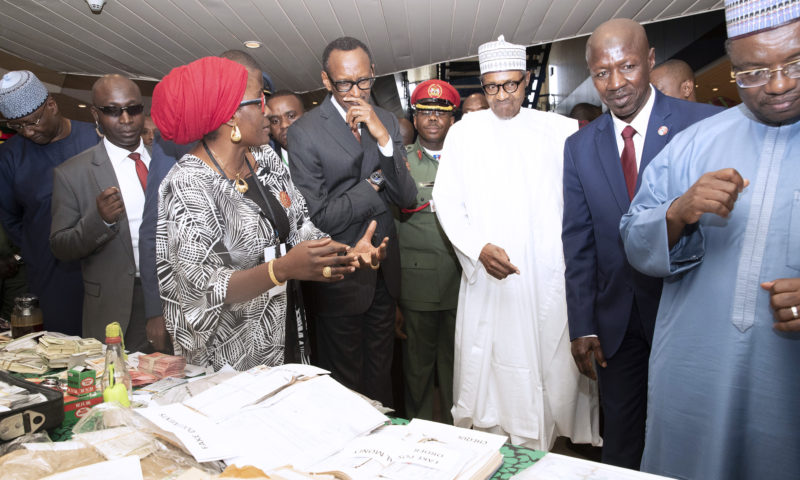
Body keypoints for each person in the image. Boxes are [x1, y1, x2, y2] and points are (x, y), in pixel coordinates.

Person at [619, 3, 800, 478]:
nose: (778, 84)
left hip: (785, 386)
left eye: (795, 63)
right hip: (693, 374)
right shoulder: (695, 143)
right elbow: (634, 239)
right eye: (754, 72)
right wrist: (677, 213)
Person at [152, 56, 387, 371]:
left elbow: (300, 226)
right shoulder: (187, 184)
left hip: (284, 330)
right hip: (228, 357)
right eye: (258, 101)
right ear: (229, 116)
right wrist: (282, 269)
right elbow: (203, 288)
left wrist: (344, 255)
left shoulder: (264, 158)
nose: (267, 111)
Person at [561, 18, 722, 469]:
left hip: (688, 314)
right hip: (617, 325)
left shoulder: (704, 123)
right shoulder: (580, 147)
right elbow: (579, 241)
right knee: (621, 446)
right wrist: (583, 324)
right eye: (601, 73)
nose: (615, 83)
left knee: (690, 439)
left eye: (627, 66)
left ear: (650, 61)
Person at [432, 35, 600, 450]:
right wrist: (477, 249)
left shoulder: (559, 131)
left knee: (552, 368)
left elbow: (579, 207)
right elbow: (447, 203)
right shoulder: (464, 134)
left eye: (510, 85)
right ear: (482, 86)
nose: (501, 95)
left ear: (526, 81)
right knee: (495, 378)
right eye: (492, 87)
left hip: (546, 275)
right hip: (491, 277)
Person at [289, 36, 417, 406]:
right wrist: (376, 182)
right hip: (338, 276)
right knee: (343, 387)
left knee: (381, 378)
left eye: (363, 81)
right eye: (344, 83)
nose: (355, 92)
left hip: (383, 274)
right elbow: (320, 214)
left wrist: (383, 139)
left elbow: (407, 197)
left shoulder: (388, 120)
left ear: (373, 73)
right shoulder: (305, 131)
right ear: (326, 80)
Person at [139, 50, 266, 354]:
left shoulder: (259, 151)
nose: (266, 109)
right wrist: (155, 309)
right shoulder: (176, 163)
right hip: (219, 337)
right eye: (258, 100)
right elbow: (154, 235)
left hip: (267, 321)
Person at [50, 74, 152, 350]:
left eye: (133, 109)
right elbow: (61, 246)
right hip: (117, 305)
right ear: (96, 114)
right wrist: (100, 221)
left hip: (176, 300)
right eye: (113, 111)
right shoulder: (72, 174)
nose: (126, 119)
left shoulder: (169, 159)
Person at [0, 71, 97, 335]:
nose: (28, 132)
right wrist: (40, 245)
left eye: (32, 122)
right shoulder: (10, 156)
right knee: (59, 346)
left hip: (101, 264)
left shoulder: (96, 139)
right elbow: (10, 218)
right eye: (17, 126)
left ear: (51, 105)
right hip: (50, 271)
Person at [395, 79, 461, 423]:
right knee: (417, 373)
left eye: (441, 112)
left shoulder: (468, 162)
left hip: (465, 286)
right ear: (415, 118)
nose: (433, 118)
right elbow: (390, 228)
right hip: (416, 288)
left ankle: (460, 438)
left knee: (459, 374)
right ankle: (416, 435)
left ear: (452, 118)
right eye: (425, 112)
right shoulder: (401, 164)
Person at [266, 90, 305, 168]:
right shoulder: (267, 167)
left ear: (307, 118)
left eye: (291, 116)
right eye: (275, 121)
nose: (284, 125)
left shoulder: (330, 154)